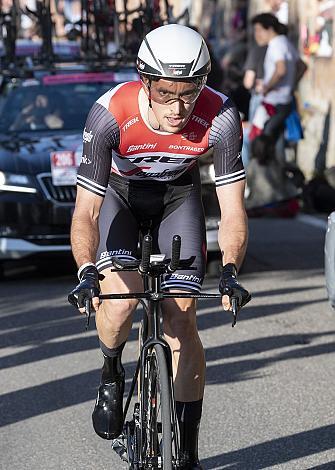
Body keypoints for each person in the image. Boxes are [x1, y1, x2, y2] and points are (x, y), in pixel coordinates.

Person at [68, 24, 250, 470]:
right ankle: (111, 371)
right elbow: (86, 213)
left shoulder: (222, 117)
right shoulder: (110, 113)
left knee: (183, 319)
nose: (178, 106)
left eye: (189, 91)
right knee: (118, 306)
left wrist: (229, 270)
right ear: (144, 81)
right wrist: (86, 271)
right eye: (166, 92)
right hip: (121, 198)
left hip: (178, 197)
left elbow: (232, 211)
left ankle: (187, 454)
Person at [250, 13, 307, 159]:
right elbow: (301, 66)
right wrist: (290, 85)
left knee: (265, 140)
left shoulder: (276, 44)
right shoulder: (285, 42)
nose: (256, 35)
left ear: (269, 29)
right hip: (284, 100)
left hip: (274, 102)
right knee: (277, 140)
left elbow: (281, 70)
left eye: (258, 30)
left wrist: (268, 87)